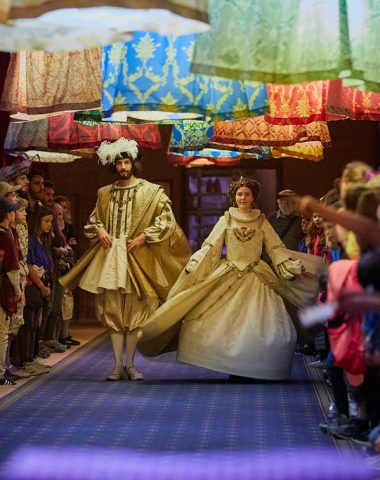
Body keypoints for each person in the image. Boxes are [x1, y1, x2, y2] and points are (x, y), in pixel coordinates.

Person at [140, 177, 325, 380]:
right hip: (229, 272)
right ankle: (232, 365)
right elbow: (211, 246)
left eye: (247, 194)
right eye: (239, 194)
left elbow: (275, 248)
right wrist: (195, 265)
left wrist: (292, 266)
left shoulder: (261, 220)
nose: (243, 197)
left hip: (257, 274)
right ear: (233, 197)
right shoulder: (226, 219)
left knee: (258, 323)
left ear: (253, 197)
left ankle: (253, 365)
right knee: (222, 321)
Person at [60, 137, 190, 381]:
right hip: (111, 258)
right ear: (113, 165)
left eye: (126, 162)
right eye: (118, 163)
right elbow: (93, 221)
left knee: (136, 311)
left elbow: (166, 220)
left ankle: (130, 364)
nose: (123, 167)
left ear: (134, 163)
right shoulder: (104, 193)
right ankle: (117, 365)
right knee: (113, 311)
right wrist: (99, 230)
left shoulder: (150, 191)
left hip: (138, 257)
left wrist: (144, 237)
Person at [0, 198, 22, 387]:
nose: (14, 214)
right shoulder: (5, 237)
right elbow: (12, 268)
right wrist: (17, 289)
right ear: (7, 214)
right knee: (2, 332)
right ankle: (0, 373)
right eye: (12, 211)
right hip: (3, 288)